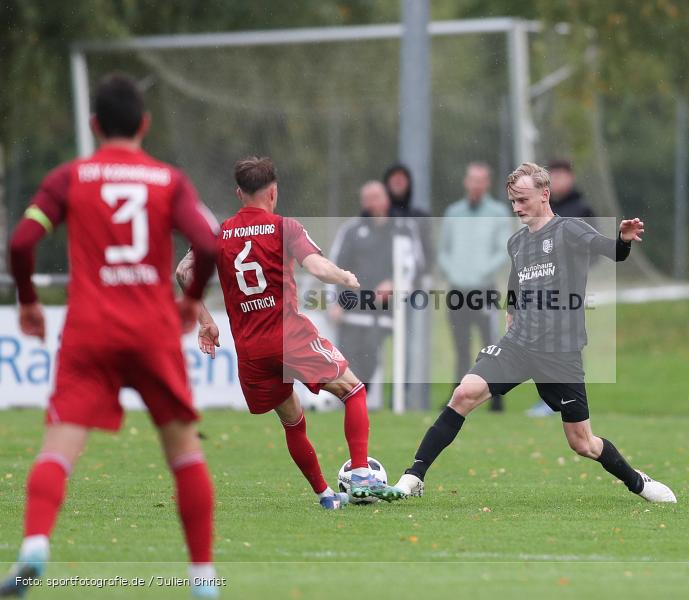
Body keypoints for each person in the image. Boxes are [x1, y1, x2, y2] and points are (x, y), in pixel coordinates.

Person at [1, 74, 221, 598]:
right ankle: (203, 579)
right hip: (151, 329)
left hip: (90, 331)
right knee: (184, 451)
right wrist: (190, 303)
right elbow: (208, 246)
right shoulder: (168, 181)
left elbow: (23, 240)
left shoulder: (70, 177)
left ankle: (34, 544)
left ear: (95, 125)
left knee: (58, 446)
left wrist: (28, 301)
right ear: (144, 124)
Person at [393, 162, 676, 504]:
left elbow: (611, 252)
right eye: (512, 201)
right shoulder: (516, 242)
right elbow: (516, 281)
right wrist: (511, 311)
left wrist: (623, 239)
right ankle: (414, 476)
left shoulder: (570, 230)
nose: (516, 207)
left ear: (544, 195)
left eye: (522, 199)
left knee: (582, 442)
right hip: (519, 345)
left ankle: (638, 482)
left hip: (560, 352)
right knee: (464, 394)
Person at [176, 157, 404, 510]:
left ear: (239, 193)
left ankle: (327, 497)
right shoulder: (285, 228)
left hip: (250, 349)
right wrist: (343, 276)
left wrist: (206, 319)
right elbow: (317, 266)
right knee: (354, 390)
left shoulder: (219, 234)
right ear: (273, 192)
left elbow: (183, 272)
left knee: (292, 421)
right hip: (289, 336)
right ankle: (360, 474)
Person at [328, 180, 424, 392]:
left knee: (370, 354)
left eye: (376, 197)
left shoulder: (403, 229)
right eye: (367, 199)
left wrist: (395, 283)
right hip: (351, 309)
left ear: (386, 199)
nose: (372, 203)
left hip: (386, 312)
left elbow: (415, 266)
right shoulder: (351, 230)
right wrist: (336, 301)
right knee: (348, 359)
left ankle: (362, 398)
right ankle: (353, 402)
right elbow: (335, 267)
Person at [526, 159, 601, 417]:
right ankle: (549, 399)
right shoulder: (544, 211)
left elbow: (595, 249)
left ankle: (569, 399)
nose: (556, 181)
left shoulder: (582, 209)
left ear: (571, 177)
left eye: (560, 175)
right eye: (552, 176)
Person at [438, 162, 511, 411]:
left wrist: (480, 273)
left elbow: (502, 251)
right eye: (473, 179)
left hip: (484, 289)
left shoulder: (498, 212)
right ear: (466, 182)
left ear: (487, 183)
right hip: (458, 290)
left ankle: (496, 396)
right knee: (460, 346)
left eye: (481, 180)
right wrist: (455, 273)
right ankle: (457, 396)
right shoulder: (453, 212)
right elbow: (444, 251)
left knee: (489, 344)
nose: (476, 184)